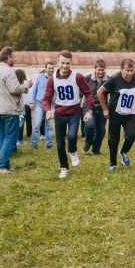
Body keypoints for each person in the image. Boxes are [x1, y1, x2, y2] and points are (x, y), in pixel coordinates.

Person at [43, 50, 94, 179]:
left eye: (68, 63)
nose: (65, 66)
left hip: (74, 112)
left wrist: (89, 110)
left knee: (72, 136)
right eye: (63, 63)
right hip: (59, 113)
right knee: (60, 143)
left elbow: (88, 93)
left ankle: (72, 151)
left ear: (71, 63)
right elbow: (47, 98)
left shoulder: (78, 77)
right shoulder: (52, 79)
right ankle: (64, 167)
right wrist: (48, 110)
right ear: (57, 62)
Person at [0, 47, 29, 174]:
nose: (15, 59)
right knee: (11, 138)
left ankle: (5, 165)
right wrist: (26, 86)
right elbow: (15, 89)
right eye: (14, 56)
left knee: (2, 137)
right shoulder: (9, 71)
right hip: (9, 109)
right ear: (9, 57)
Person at [97, 58, 135, 172]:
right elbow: (100, 92)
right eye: (127, 70)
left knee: (132, 136)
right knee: (113, 140)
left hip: (130, 114)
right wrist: (105, 109)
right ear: (121, 69)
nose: (130, 73)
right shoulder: (114, 79)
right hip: (115, 114)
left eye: (132, 70)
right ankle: (113, 164)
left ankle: (123, 151)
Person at [82, 59, 109, 155]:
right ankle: (88, 142)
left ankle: (95, 149)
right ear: (95, 69)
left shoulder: (108, 80)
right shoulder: (87, 78)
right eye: (99, 70)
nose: (101, 72)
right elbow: (80, 89)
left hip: (102, 107)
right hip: (89, 106)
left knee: (101, 130)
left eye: (102, 70)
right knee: (90, 126)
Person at [30, 61, 54, 149]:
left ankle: (49, 143)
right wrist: (32, 102)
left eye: (52, 68)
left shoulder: (55, 78)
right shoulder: (39, 78)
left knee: (49, 126)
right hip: (39, 104)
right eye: (49, 68)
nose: (51, 70)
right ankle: (34, 144)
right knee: (36, 125)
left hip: (51, 105)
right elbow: (34, 90)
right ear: (45, 68)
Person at [14, 69, 32, 146]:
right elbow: (29, 93)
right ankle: (19, 140)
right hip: (24, 105)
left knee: (18, 122)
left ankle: (17, 139)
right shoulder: (25, 83)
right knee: (21, 122)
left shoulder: (15, 84)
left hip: (17, 105)